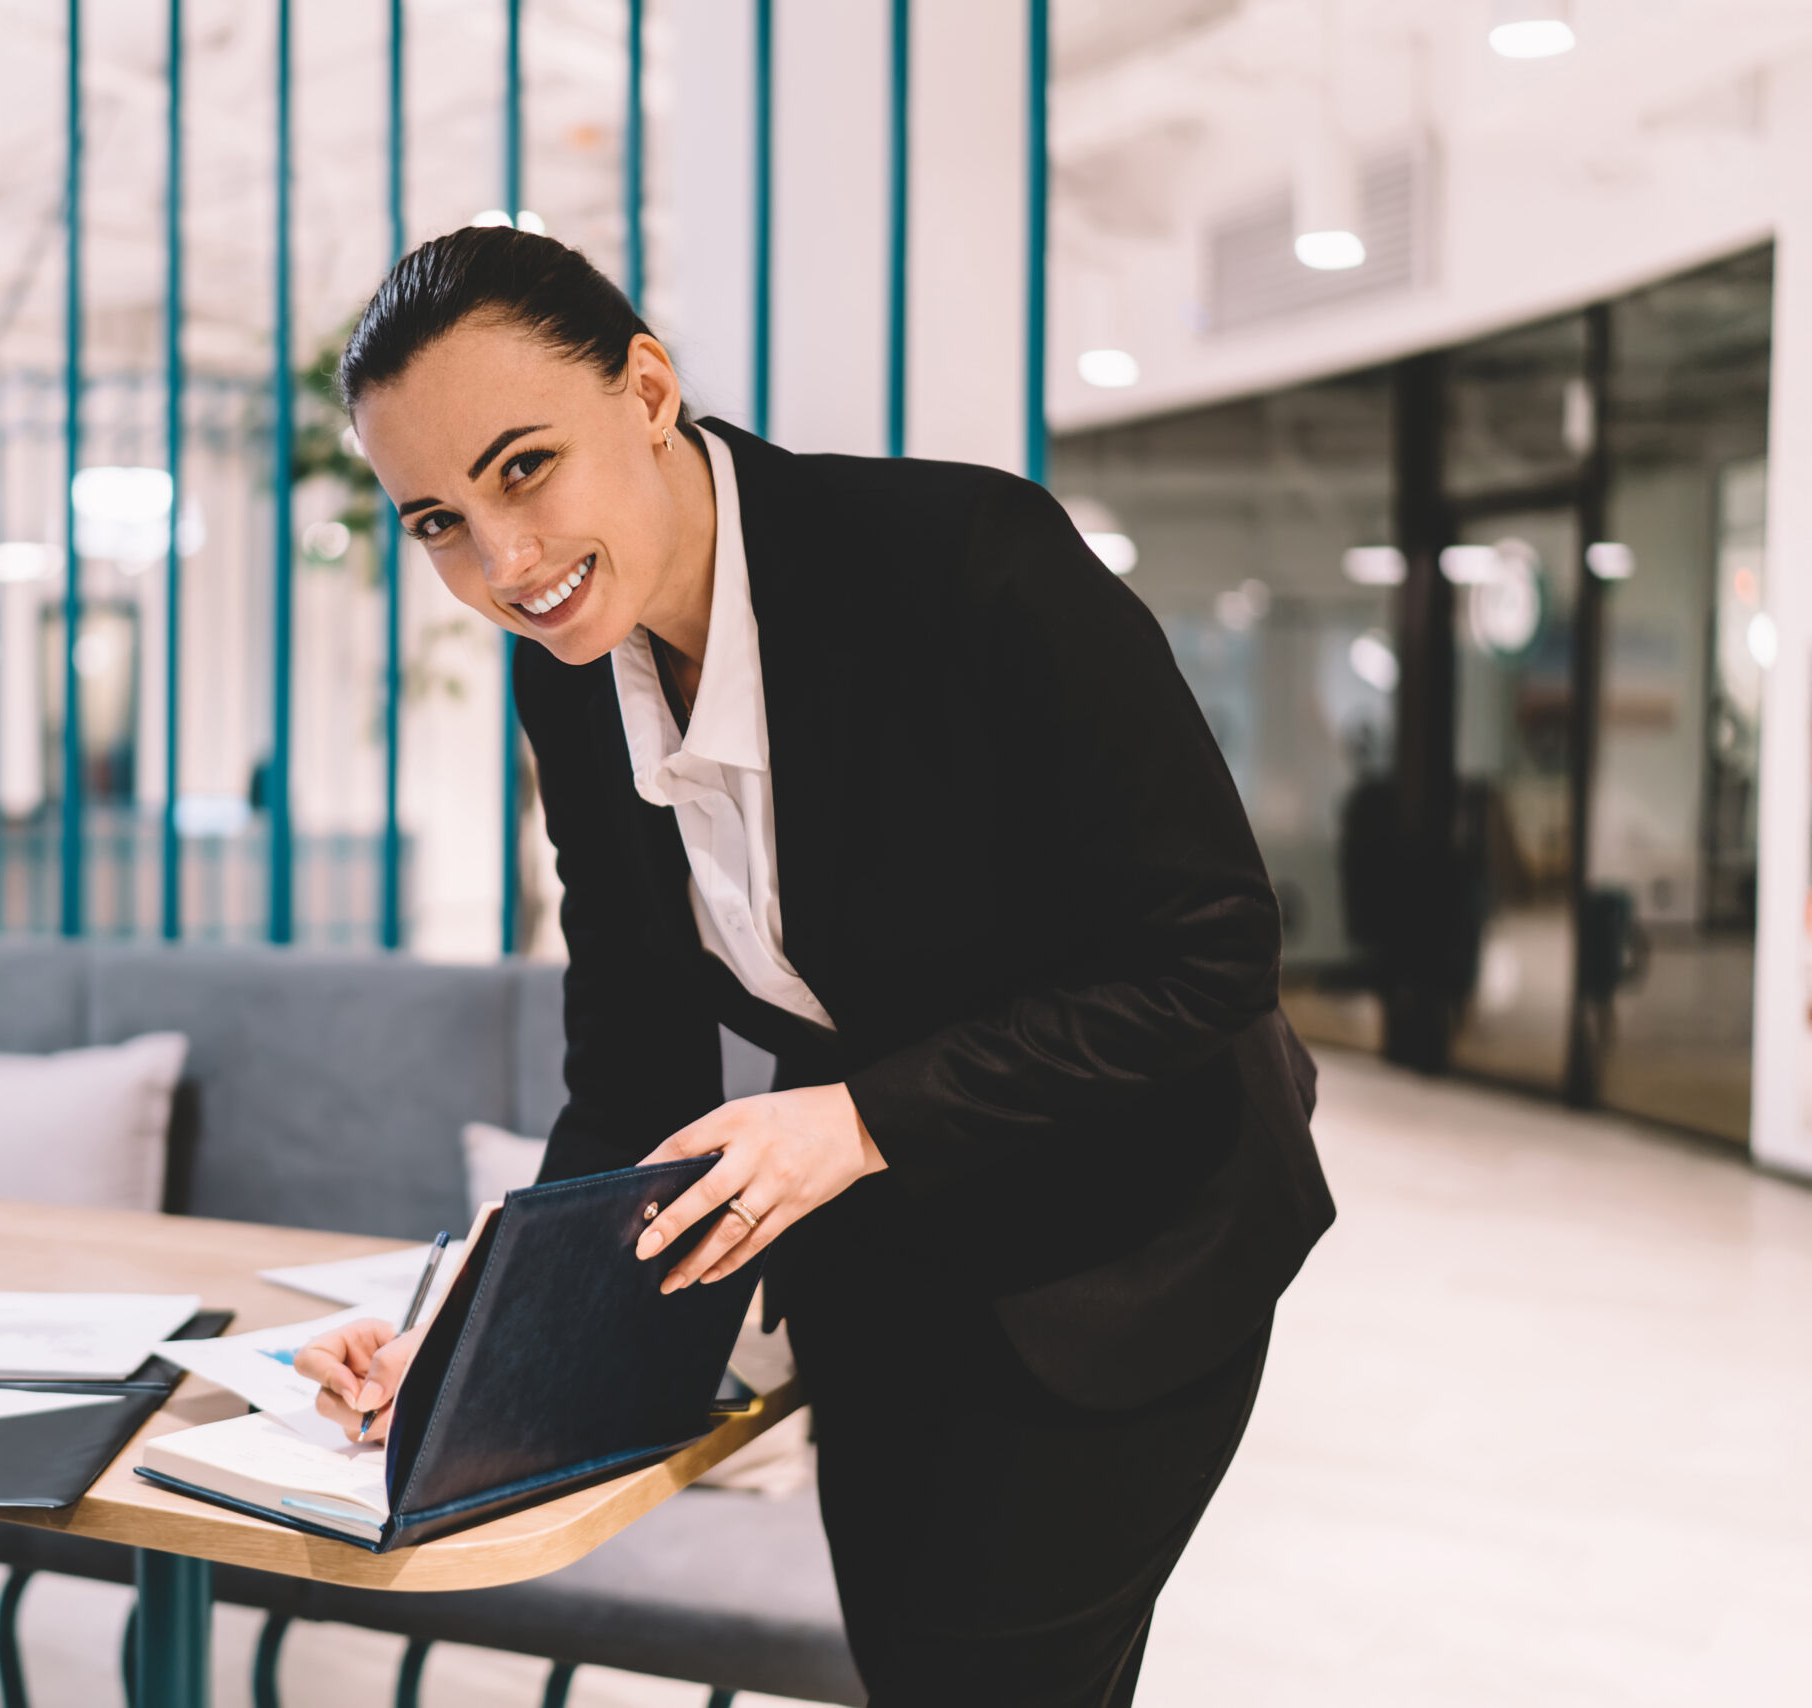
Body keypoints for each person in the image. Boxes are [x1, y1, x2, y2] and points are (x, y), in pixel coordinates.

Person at [296, 225, 1334, 1707]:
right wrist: (468, 1362)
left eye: (524, 467)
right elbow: (635, 1075)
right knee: (910, 1668)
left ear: (646, 390)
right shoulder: (574, 684)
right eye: (437, 522)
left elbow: (1210, 950)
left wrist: (852, 1118)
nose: (502, 560)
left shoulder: (965, 562)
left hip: (1129, 1239)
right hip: (886, 1257)